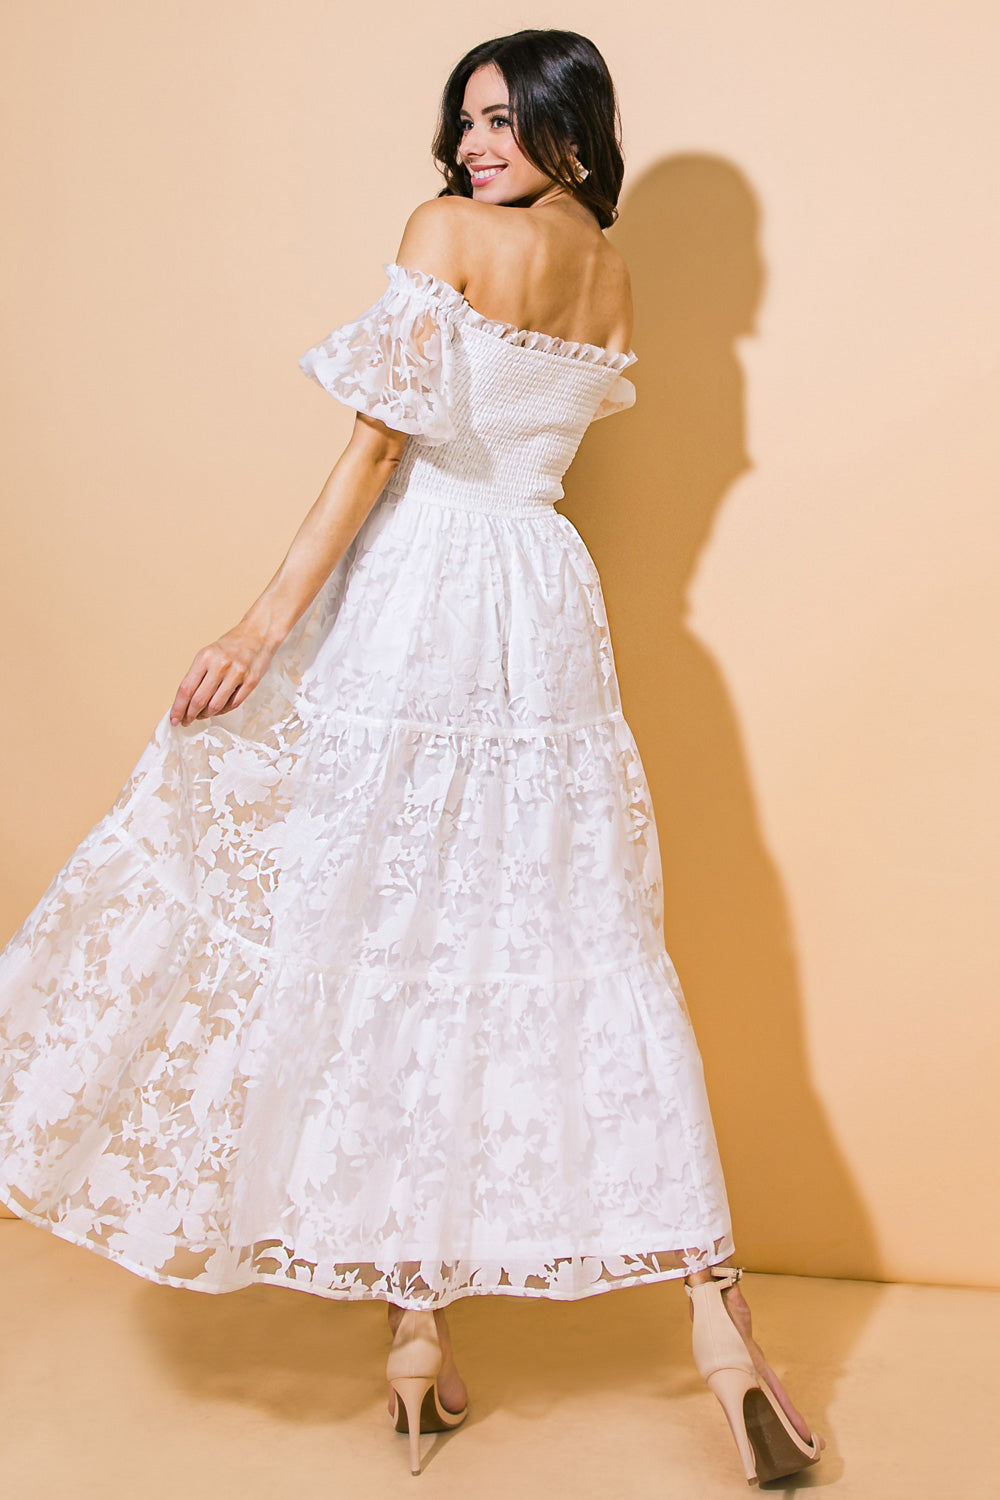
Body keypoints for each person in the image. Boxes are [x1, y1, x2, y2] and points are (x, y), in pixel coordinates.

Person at [0, 28, 823, 1483]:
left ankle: (416, 1343)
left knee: (385, 930)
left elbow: (377, 454)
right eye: (464, 125)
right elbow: (533, 451)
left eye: (505, 120)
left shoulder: (446, 237)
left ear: (571, 124)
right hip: (547, 611)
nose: (473, 148)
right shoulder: (611, 273)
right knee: (582, 944)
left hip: (426, 592)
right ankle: (718, 1342)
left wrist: (257, 629)